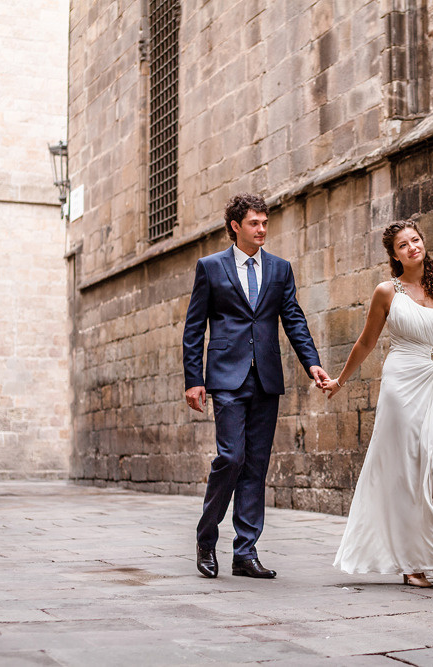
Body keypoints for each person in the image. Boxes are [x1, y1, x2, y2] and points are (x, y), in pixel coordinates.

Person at [324, 219, 433, 588]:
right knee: (409, 467)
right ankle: (412, 563)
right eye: (403, 245)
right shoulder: (387, 292)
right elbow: (366, 342)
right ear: (394, 255)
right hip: (401, 382)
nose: (412, 247)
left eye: (416, 240)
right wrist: (340, 380)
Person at [182, 193, 329, 579]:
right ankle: (206, 537)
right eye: (254, 223)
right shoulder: (210, 267)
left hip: (265, 377)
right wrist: (193, 380)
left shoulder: (280, 269)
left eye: (265, 222)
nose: (262, 229)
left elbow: (293, 319)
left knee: (256, 466)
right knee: (231, 458)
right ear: (235, 226)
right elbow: (195, 327)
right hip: (226, 377)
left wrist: (311, 363)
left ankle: (245, 552)